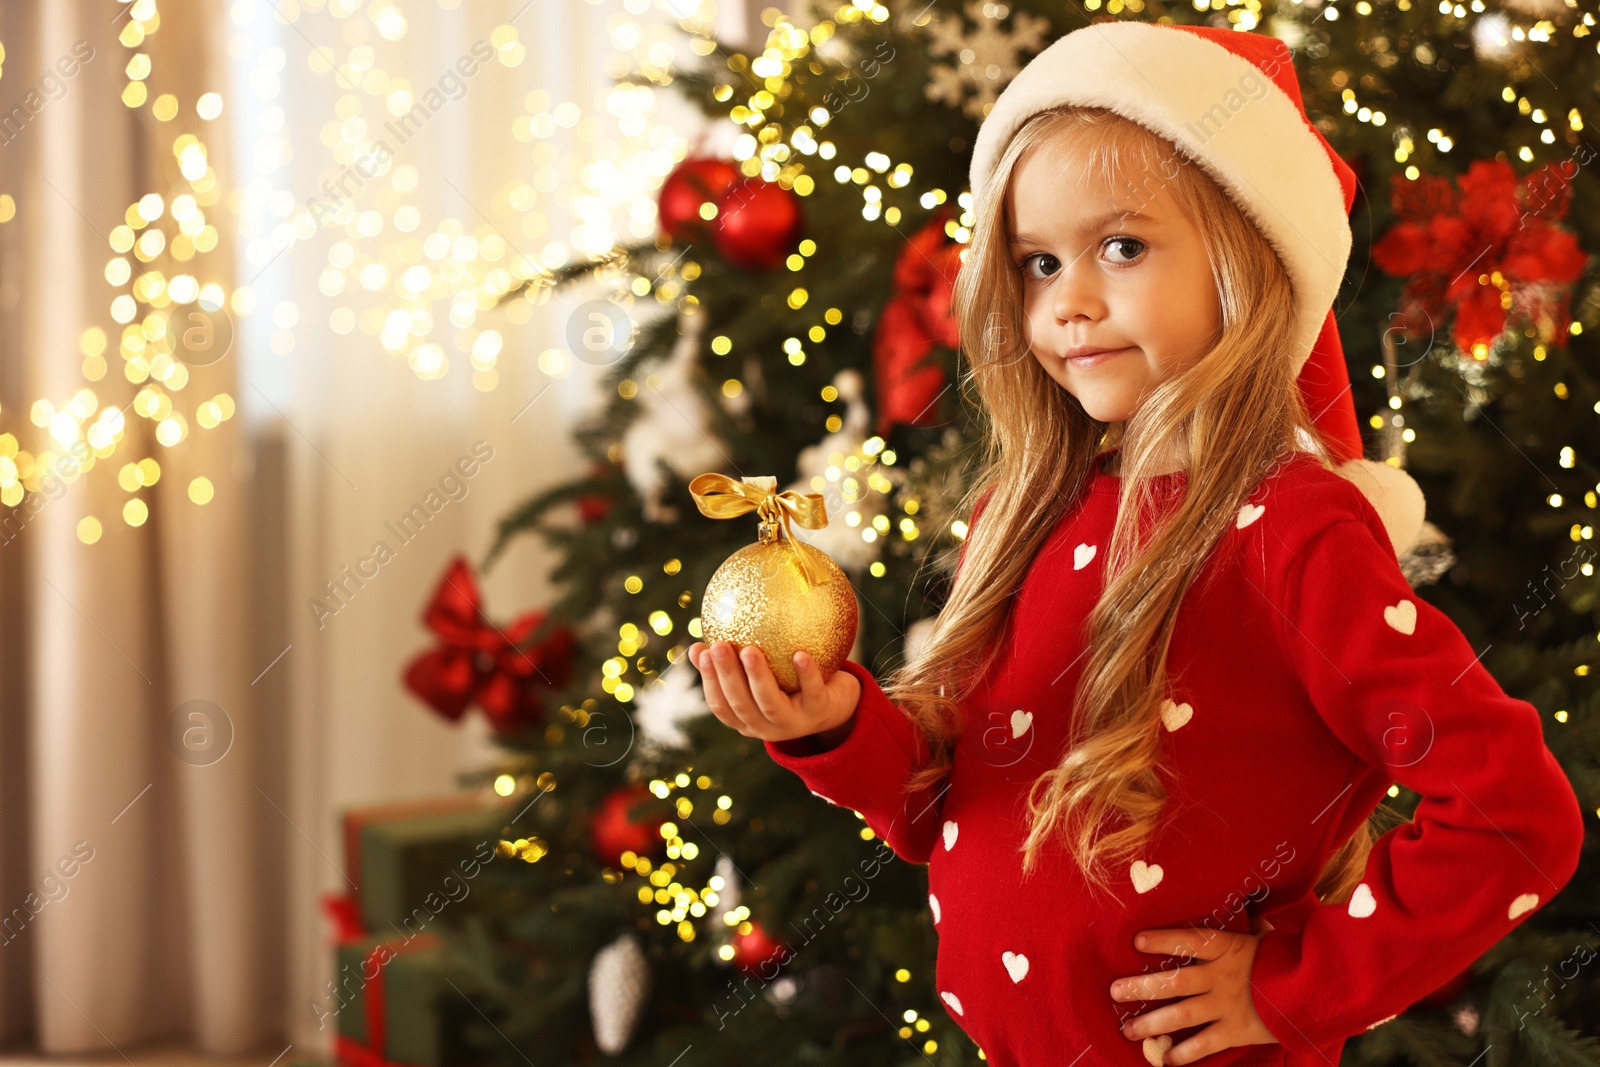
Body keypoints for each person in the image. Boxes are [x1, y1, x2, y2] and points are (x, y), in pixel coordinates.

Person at [686, 20, 1586, 1067]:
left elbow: (1515, 813)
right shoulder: (1024, 510)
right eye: (1035, 261)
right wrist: (837, 724)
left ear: (1244, 264)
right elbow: (961, 801)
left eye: (1121, 246)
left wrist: (1295, 985)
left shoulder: (1288, 526)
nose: (1066, 300)